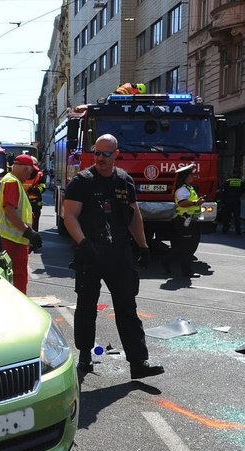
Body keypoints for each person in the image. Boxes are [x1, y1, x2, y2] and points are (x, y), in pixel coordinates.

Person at [60, 134, 164, 380]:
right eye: (97, 153)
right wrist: (82, 242)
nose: (100, 158)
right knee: (87, 307)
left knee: (127, 307)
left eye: (106, 154)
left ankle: (139, 362)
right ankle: (85, 353)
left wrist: (143, 245)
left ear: (116, 154)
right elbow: (70, 216)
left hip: (119, 255)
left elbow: (133, 214)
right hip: (91, 255)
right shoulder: (82, 181)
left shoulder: (124, 181)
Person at [0, 154, 43, 293]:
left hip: (6, 237)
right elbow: (9, 210)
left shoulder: (8, 180)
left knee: (9, 276)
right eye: (30, 172)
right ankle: (21, 308)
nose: (29, 176)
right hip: (13, 240)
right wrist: (28, 232)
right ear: (26, 169)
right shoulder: (12, 182)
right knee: (19, 278)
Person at [167, 163, 205, 277]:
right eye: (191, 174)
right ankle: (186, 271)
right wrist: (196, 202)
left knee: (183, 246)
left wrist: (198, 201)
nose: (193, 176)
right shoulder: (182, 189)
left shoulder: (189, 188)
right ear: (185, 176)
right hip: (184, 221)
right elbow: (182, 203)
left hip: (190, 221)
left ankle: (166, 262)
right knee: (187, 247)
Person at [219, 167, 245, 235]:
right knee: (237, 216)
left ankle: (225, 230)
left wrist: (222, 200)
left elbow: (222, 190)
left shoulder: (228, 181)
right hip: (237, 200)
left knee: (227, 216)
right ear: (239, 174)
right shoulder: (241, 182)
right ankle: (238, 231)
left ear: (232, 173)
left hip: (228, 200)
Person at [23, 164, 46, 231]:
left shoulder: (39, 175)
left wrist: (37, 190)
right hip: (22, 203)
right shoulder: (20, 174)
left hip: (35, 203)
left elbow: (43, 186)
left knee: (34, 223)